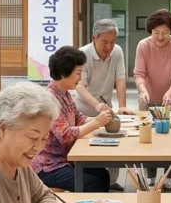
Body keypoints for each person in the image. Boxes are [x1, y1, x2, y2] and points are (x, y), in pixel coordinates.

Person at [31, 46, 114, 192]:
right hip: (48, 166)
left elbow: (78, 117)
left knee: (102, 174)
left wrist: (101, 118)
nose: (80, 78)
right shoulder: (50, 99)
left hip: (62, 160)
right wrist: (96, 123)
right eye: (78, 73)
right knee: (92, 183)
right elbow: (65, 135)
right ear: (64, 73)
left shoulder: (64, 93)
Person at [133, 8, 171, 188]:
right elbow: (139, 74)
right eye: (156, 33)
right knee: (149, 136)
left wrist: (170, 93)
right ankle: (150, 175)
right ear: (150, 32)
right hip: (148, 98)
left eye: (165, 33)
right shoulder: (143, 45)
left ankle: (170, 176)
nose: (160, 37)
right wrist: (142, 90)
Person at [74, 19, 136, 117]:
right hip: (83, 113)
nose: (109, 47)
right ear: (94, 38)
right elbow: (80, 86)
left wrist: (122, 106)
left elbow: (120, 80)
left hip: (106, 112)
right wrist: (97, 105)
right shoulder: (82, 54)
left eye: (112, 42)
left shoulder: (117, 51)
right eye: (104, 42)